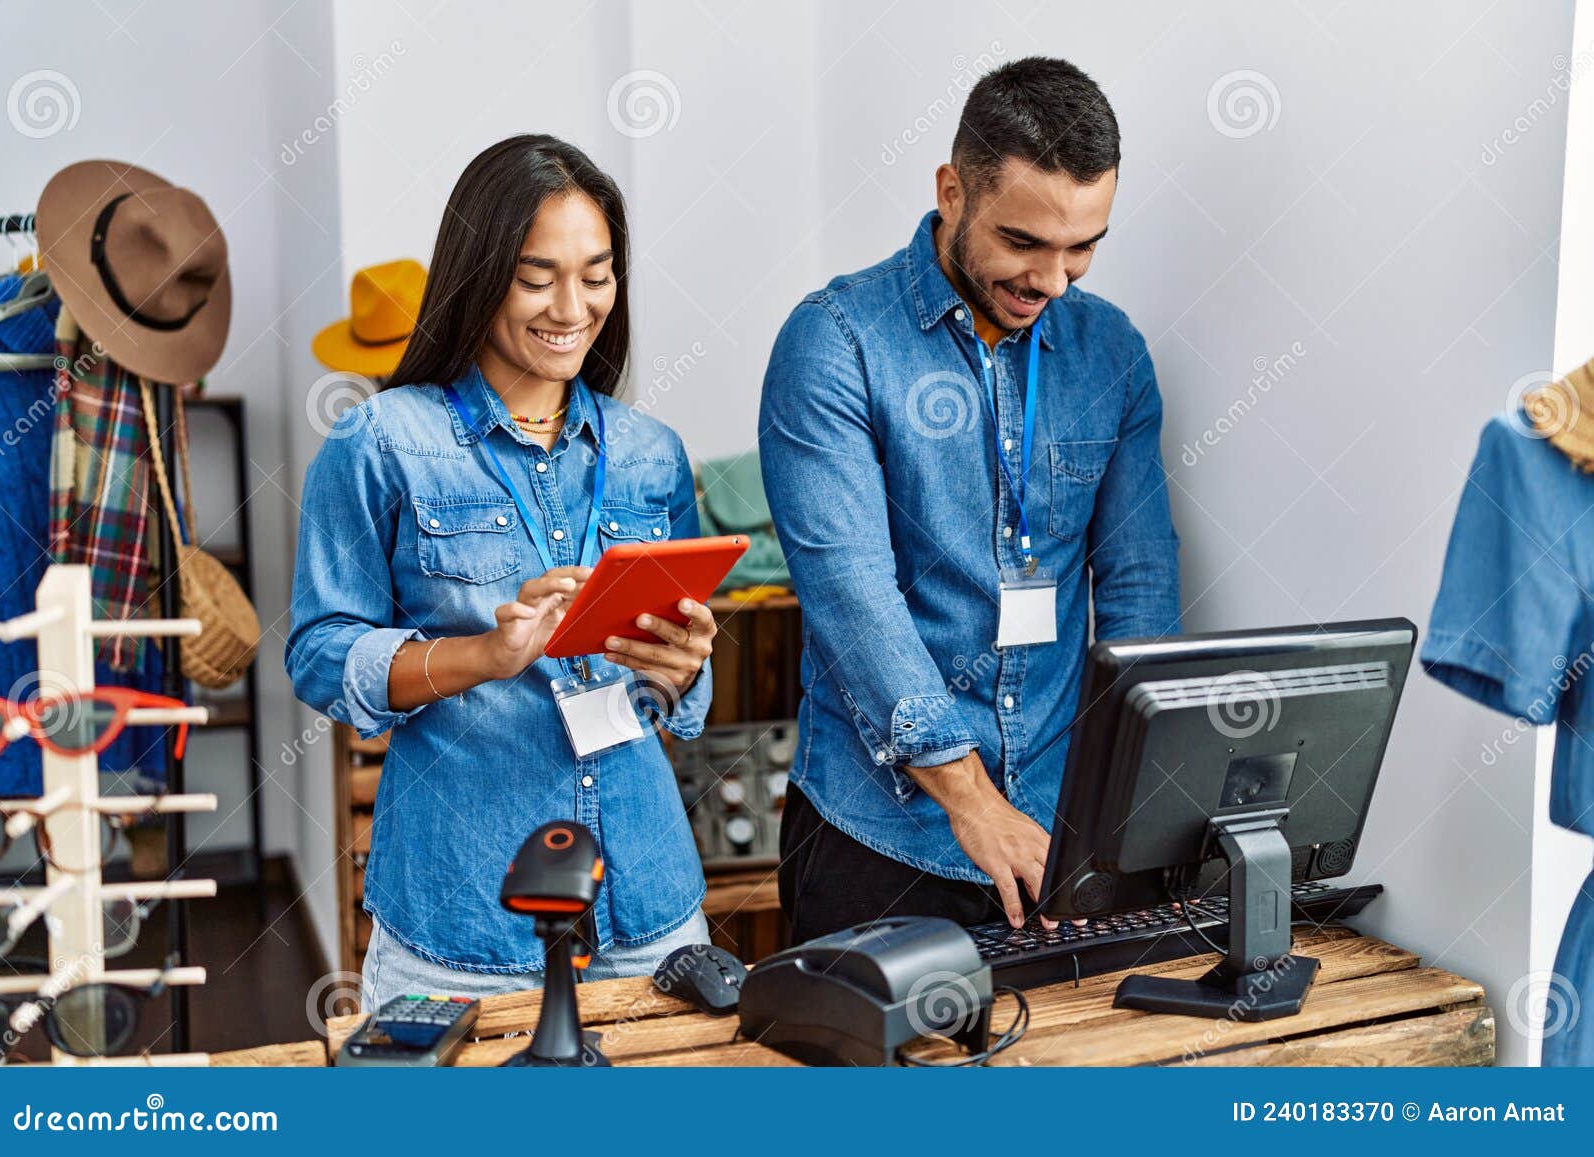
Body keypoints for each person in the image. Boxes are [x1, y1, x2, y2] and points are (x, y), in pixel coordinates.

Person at [287, 135, 718, 1008]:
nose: (573, 305)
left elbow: (676, 695)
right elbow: (320, 654)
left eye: (597, 275)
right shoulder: (381, 443)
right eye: (537, 276)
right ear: (480, 275)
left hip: (651, 909)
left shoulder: (651, 455)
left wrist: (685, 670)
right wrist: (480, 657)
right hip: (464, 919)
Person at [760, 57, 1181, 942]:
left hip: (1062, 837)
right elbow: (854, 600)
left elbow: (1140, 590)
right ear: (953, 190)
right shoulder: (835, 345)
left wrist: (1134, 813)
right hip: (879, 841)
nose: (1054, 281)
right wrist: (970, 797)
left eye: (1083, 247)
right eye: (1023, 243)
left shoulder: (1110, 353)